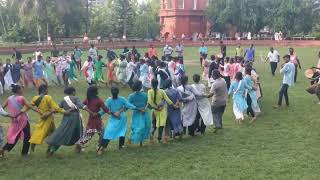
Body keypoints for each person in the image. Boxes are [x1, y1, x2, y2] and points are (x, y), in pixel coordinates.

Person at [46, 87, 93, 156]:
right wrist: (91, 112)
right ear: (73, 92)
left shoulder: (63, 100)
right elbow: (81, 106)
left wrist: (50, 113)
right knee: (79, 133)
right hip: (75, 119)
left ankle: (52, 148)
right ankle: (78, 148)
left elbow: (57, 109)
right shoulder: (75, 98)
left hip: (66, 119)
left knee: (62, 134)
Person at [0, 84, 40, 157]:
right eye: (21, 89)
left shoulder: (9, 98)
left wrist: (9, 114)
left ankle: (3, 149)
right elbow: (30, 106)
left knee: (14, 136)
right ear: (18, 90)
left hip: (14, 121)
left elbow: (2, 108)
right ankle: (24, 153)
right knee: (27, 136)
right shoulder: (21, 98)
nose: (22, 90)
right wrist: (39, 112)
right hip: (23, 120)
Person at [97, 87, 137, 155]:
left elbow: (104, 109)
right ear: (118, 92)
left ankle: (103, 148)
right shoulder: (120, 99)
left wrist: (97, 114)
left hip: (120, 118)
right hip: (119, 118)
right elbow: (129, 106)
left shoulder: (110, 100)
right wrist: (138, 108)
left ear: (111, 93)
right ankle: (119, 146)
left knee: (111, 132)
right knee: (119, 131)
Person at [28, 84, 65, 153]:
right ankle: (34, 143)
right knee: (43, 133)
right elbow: (56, 107)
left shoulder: (35, 98)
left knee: (47, 132)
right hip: (48, 118)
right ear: (45, 90)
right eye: (47, 89)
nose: (48, 91)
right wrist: (64, 112)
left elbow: (30, 106)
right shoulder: (48, 97)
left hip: (43, 117)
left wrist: (39, 112)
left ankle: (44, 147)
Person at [78, 86, 109, 150]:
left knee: (88, 135)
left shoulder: (87, 99)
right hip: (97, 120)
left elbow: (81, 105)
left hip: (91, 119)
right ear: (95, 92)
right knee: (102, 133)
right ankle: (99, 146)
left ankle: (80, 144)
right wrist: (109, 110)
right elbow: (105, 109)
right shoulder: (98, 100)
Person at [148, 79, 175, 143]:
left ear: (151, 84)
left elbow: (150, 101)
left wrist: (155, 108)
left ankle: (151, 135)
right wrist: (173, 105)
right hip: (162, 110)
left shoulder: (149, 92)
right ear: (158, 84)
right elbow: (167, 100)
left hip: (155, 111)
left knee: (154, 124)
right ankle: (160, 138)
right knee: (163, 124)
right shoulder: (162, 91)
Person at [128, 81, 150, 146]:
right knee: (140, 127)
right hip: (141, 113)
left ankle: (140, 142)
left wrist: (143, 109)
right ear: (140, 87)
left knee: (141, 127)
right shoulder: (133, 96)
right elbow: (148, 103)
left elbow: (129, 105)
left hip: (141, 112)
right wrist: (143, 109)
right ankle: (131, 138)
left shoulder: (132, 96)